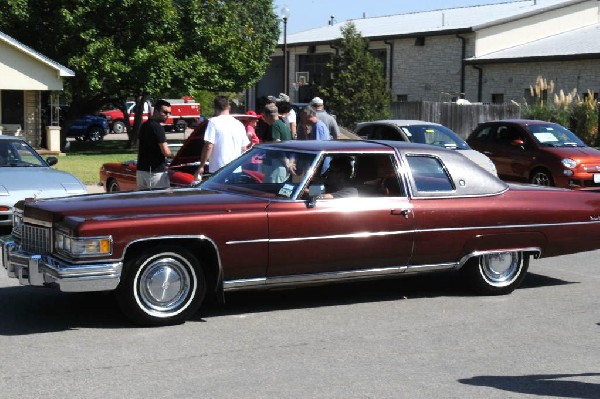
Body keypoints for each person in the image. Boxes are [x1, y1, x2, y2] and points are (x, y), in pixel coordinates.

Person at [193, 96, 249, 181]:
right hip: (236, 170)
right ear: (229, 107)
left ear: (215, 108)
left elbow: (209, 146)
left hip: (219, 170)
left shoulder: (213, 122)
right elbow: (244, 148)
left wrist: (201, 166)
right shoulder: (239, 124)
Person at [136, 99, 173, 190]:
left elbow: (138, 145)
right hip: (155, 173)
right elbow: (165, 152)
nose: (167, 115)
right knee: (162, 201)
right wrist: (173, 156)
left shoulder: (144, 125)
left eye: (169, 113)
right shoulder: (158, 127)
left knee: (145, 202)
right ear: (156, 111)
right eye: (165, 112)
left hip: (141, 171)